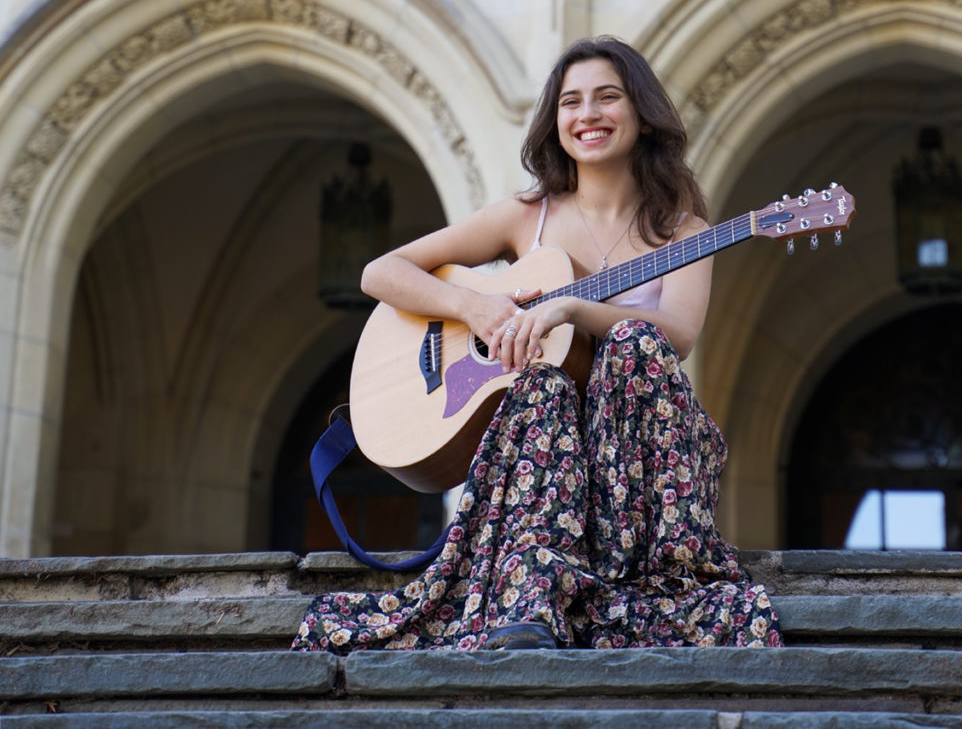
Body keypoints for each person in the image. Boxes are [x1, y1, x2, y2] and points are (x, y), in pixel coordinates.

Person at [292, 35, 783, 653]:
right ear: (557, 122)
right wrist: (476, 306)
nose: (588, 115)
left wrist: (572, 307)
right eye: (572, 102)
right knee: (544, 381)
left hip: (643, 451)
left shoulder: (684, 232)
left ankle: (647, 576)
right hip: (544, 440)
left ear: (642, 114)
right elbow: (381, 273)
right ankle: (533, 594)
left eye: (608, 97)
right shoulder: (529, 216)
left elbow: (678, 336)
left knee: (635, 342)